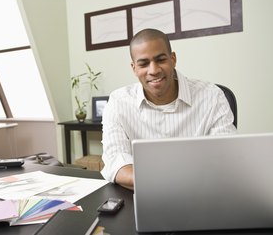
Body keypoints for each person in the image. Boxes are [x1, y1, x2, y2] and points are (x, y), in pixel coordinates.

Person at [101, 28, 236, 190]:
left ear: (173, 59)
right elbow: (116, 162)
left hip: (201, 194)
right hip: (141, 197)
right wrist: (165, 182)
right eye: (143, 64)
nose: (153, 70)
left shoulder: (212, 96)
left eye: (161, 60)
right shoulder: (118, 102)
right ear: (134, 68)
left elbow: (226, 159)